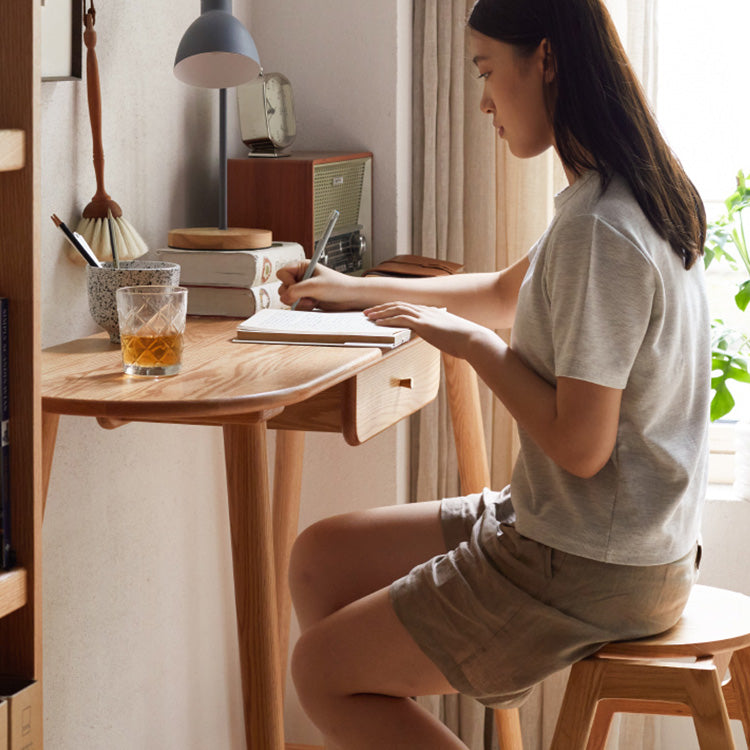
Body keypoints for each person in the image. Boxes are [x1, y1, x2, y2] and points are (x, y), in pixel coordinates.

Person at [277, 0, 710, 747]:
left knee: (320, 671)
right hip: (606, 536)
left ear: (544, 60)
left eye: (486, 71)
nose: (482, 101)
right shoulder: (616, 196)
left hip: (588, 564)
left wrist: (470, 347)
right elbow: (505, 294)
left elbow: (580, 448)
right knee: (321, 560)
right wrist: (349, 289)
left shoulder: (599, 231)